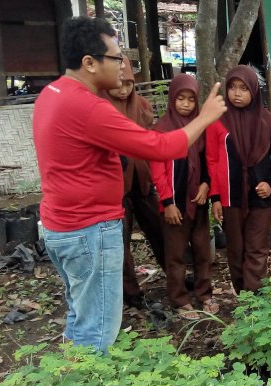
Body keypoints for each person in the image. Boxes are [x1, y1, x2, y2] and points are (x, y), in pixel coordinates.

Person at [32, 17, 226, 352]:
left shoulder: (52, 93)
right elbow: (162, 147)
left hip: (62, 225)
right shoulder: (87, 107)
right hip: (89, 231)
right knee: (97, 329)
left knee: (80, 315)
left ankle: (68, 377)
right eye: (116, 58)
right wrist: (206, 116)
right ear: (89, 63)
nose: (123, 68)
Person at [207, 65, 271, 294]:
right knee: (236, 248)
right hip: (231, 196)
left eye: (243, 88)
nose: (237, 93)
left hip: (260, 197)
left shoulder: (267, 122)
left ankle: (253, 295)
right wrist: (215, 197)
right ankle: (242, 292)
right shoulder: (217, 121)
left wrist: (270, 183)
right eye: (232, 87)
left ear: (254, 91)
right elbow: (211, 159)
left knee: (257, 247)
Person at [100, 55, 166, 309]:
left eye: (128, 83)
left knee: (159, 228)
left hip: (143, 181)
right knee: (121, 240)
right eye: (118, 83)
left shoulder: (140, 105)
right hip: (116, 187)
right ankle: (130, 292)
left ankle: (175, 274)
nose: (123, 89)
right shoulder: (101, 108)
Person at [150, 74, 216, 319]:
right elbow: (157, 169)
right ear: (172, 99)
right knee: (176, 255)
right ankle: (179, 299)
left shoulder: (200, 127)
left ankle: (205, 293)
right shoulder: (163, 129)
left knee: (202, 251)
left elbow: (207, 160)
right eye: (181, 99)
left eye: (191, 99)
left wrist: (206, 184)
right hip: (174, 206)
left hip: (197, 202)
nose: (186, 104)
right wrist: (167, 202)